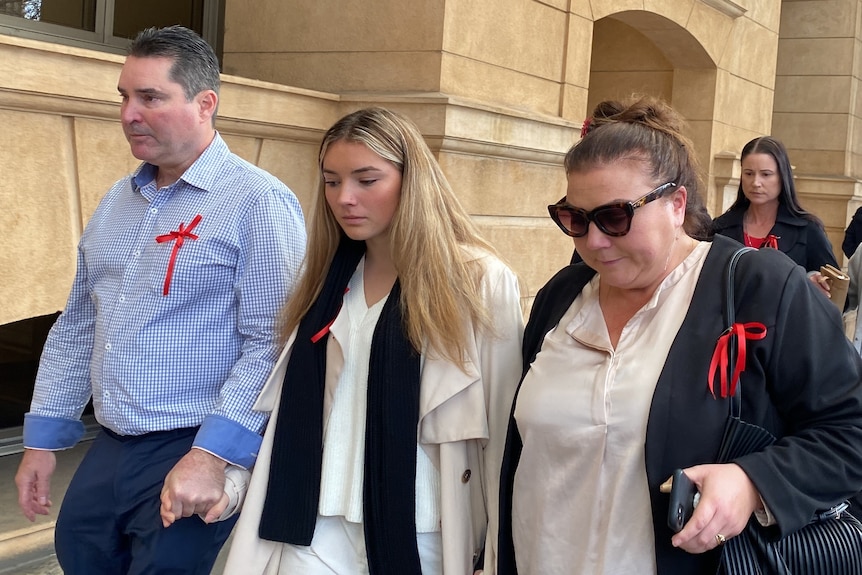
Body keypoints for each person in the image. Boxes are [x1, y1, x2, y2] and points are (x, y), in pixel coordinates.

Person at [496, 96, 862, 574]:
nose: (594, 241)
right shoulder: (563, 296)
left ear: (676, 203)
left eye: (614, 216)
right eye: (576, 219)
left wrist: (754, 483)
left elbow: (848, 431)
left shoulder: (761, 288)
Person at [14, 25, 306, 574]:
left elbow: (271, 343)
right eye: (124, 96)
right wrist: (44, 438)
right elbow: (78, 324)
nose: (129, 113)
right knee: (79, 551)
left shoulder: (259, 203)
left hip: (190, 439)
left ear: (205, 103)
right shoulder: (117, 203)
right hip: (112, 442)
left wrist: (212, 455)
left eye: (150, 97)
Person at [223, 107, 523, 575]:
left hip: (423, 527)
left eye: (367, 180)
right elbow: (289, 412)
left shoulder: (477, 279)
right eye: (331, 181)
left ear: (411, 180)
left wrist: (501, 555)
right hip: (313, 521)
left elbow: (504, 431)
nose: (345, 198)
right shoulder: (326, 277)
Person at [712, 136, 838, 294]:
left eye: (766, 174)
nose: (756, 182)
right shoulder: (721, 228)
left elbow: (839, 296)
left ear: (782, 177)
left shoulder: (807, 230)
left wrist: (811, 283)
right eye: (749, 173)